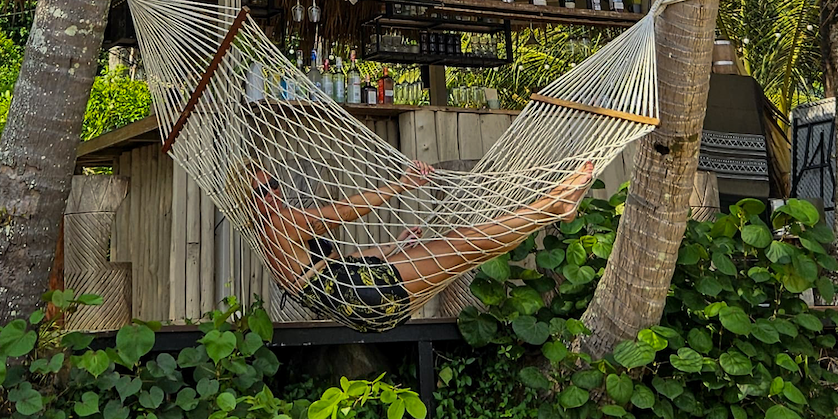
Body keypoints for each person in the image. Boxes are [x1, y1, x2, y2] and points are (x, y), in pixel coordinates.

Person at [238, 158, 595, 331]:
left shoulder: (271, 245)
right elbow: (343, 212)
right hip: (368, 295)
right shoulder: (282, 223)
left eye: (273, 185)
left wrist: (395, 247)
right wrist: (401, 185)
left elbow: (341, 266)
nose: (273, 194)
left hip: (365, 304)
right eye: (261, 191)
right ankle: (553, 203)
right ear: (248, 203)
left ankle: (552, 208)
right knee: (466, 243)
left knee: (468, 248)